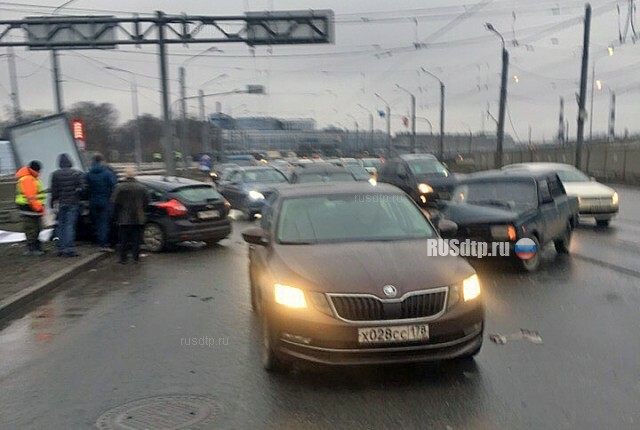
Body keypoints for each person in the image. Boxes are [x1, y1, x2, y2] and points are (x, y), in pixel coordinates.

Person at [110, 167, 149, 264]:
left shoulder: (119, 187)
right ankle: (136, 258)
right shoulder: (142, 187)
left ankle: (123, 258)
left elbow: (114, 202)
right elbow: (147, 201)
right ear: (135, 175)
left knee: (123, 239)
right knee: (136, 239)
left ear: (125, 175)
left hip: (123, 217)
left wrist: (114, 216)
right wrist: (142, 211)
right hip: (138, 217)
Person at [50, 153, 85, 257]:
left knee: (61, 225)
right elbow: (83, 188)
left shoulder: (55, 174)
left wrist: (52, 203)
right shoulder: (76, 173)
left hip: (61, 203)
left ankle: (60, 248)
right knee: (70, 226)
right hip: (73, 202)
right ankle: (69, 249)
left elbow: (54, 191)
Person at [86, 153, 117, 251]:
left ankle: (98, 241)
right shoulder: (107, 173)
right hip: (105, 200)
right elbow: (114, 185)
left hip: (93, 200)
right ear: (102, 161)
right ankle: (103, 243)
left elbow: (86, 187)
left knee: (97, 222)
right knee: (104, 222)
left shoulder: (89, 174)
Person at [15, 160, 46, 256]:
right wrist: (39, 208)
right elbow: (31, 197)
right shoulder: (28, 179)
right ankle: (33, 248)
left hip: (30, 207)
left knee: (35, 228)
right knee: (32, 228)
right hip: (29, 208)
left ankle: (36, 247)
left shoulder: (30, 178)